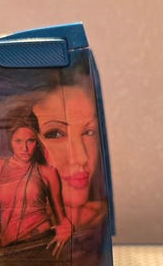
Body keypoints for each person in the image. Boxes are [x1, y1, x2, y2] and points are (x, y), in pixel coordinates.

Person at [0, 120, 71, 257]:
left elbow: (60, 213)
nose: (24, 148)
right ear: (11, 143)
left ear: (37, 143)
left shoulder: (48, 172)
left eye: (30, 141)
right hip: (9, 242)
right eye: (18, 141)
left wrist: (67, 228)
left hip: (41, 239)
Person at [32, 85, 107, 231]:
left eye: (89, 132)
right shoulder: (20, 232)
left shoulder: (104, 219)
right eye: (55, 134)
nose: (82, 158)